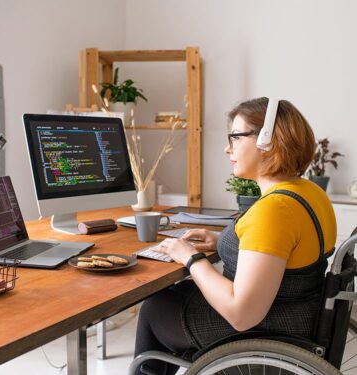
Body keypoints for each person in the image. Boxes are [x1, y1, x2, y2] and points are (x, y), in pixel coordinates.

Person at [133, 97, 337, 375]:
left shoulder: (274, 210)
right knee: (173, 296)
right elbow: (284, 251)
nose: (227, 147)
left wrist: (191, 258)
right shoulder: (309, 192)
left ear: (268, 140)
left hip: (267, 328)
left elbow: (242, 314)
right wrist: (221, 242)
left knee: (155, 309)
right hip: (297, 314)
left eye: (236, 137)